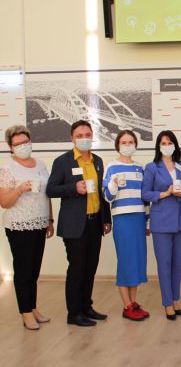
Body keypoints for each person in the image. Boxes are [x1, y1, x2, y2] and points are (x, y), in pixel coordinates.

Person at [46, 120, 111, 327]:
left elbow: (101, 192)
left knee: (90, 268)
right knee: (77, 268)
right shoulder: (62, 161)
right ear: (72, 138)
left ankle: (86, 307)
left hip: (94, 222)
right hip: (74, 225)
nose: (84, 139)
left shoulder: (97, 160)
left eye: (87, 135)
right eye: (79, 136)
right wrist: (73, 188)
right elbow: (51, 189)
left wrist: (106, 219)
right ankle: (74, 314)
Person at [0, 125, 54, 330]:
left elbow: (47, 194)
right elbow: (4, 202)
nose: (23, 146)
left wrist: (50, 220)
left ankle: (32, 307)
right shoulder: (7, 169)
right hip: (19, 225)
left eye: (25, 142)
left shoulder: (41, 164)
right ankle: (25, 312)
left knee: (34, 269)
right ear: (11, 147)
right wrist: (20, 189)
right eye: (18, 144)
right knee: (23, 270)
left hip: (40, 222)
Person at [141, 130, 181, 320]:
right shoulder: (152, 167)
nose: (167, 146)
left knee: (177, 263)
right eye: (163, 143)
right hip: (161, 220)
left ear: (175, 145)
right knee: (164, 264)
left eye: (170, 142)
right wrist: (165, 193)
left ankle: (175, 299)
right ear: (158, 146)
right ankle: (167, 303)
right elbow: (145, 194)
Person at [102, 130, 149, 321]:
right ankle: (126, 305)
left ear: (136, 145)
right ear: (117, 145)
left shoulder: (140, 168)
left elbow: (145, 197)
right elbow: (107, 196)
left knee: (137, 260)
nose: (128, 145)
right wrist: (113, 184)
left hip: (139, 218)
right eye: (124, 142)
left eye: (131, 142)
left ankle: (133, 303)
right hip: (122, 219)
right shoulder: (111, 166)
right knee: (125, 260)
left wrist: (147, 221)